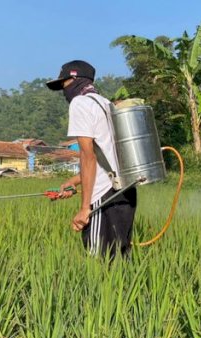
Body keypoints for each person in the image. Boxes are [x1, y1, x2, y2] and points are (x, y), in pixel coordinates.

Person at [46, 60, 137, 257]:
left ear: (75, 79)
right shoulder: (106, 104)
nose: (64, 90)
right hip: (125, 191)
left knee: (98, 265)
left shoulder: (80, 103)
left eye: (64, 84)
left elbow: (88, 156)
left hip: (103, 196)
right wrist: (73, 181)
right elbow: (107, 157)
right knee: (120, 260)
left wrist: (84, 208)